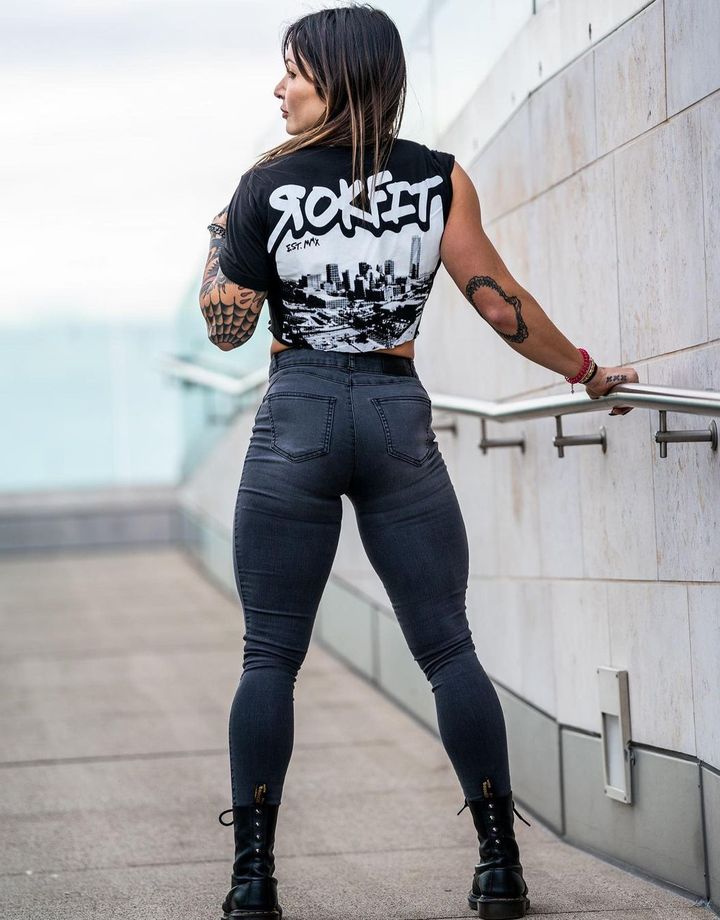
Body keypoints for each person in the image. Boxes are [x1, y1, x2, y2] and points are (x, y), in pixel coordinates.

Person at [198, 5, 639, 919]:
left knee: (269, 656)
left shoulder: (261, 188)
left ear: (339, 79)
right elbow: (499, 302)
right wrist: (588, 372)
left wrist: (217, 245)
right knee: (448, 648)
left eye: (293, 72)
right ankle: (500, 866)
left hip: (299, 415)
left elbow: (228, 327)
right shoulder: (438, 179)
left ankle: (251, 881)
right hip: (397, 414)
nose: (277, 89)